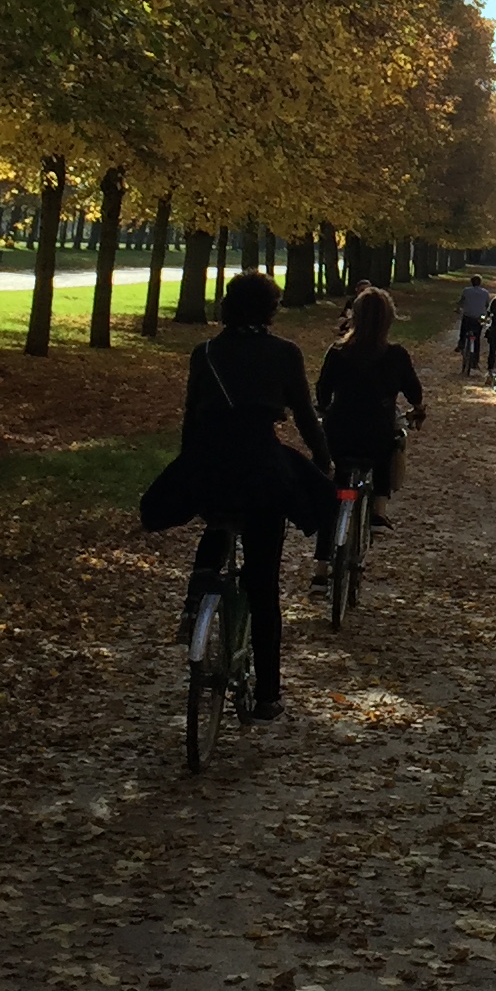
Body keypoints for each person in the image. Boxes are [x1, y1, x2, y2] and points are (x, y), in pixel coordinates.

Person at [139, 269, 327, 718]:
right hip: (261, 468)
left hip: (211, 464)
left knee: (217, 516)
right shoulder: (285, 353)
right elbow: (304, 414)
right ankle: (268, 695)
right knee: (263, 584)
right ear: (269, 310)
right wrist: (323, 461)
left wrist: (191, 466)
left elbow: (192, 417)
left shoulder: (205, 353)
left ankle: (197, 594)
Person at [316, 287, 425, 583]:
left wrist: (324, 409)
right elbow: (414, 392)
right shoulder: (395, 355)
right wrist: (418, 409)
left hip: (340, 432)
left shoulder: (338, 353)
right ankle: (378, 507)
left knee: (334, 493)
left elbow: (323, 392)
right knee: (393, 441)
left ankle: (320, 570)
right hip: (377, 431)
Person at [455, 272, 492, 374]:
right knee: (477, 338)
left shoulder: (466, 291)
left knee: (463, 330)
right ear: (480, 283)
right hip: (479, 318)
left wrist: (457, 308)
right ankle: (475, 360)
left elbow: (461, 302)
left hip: (468, 316)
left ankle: (461, 344)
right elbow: (487, 305)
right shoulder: (485, 292)